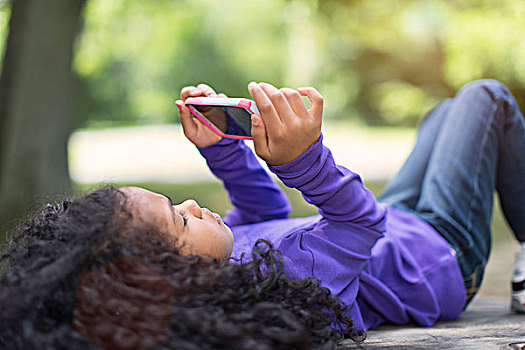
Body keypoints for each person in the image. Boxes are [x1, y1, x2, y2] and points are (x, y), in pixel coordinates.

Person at [1, 79, 524, 349]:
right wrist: (304, 162)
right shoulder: (293, 283)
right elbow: (360, 224)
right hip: (441, 253)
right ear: (180, 276)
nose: (189, 206)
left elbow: (263, 214)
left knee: (445, 113)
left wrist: (225, 151)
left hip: (404, 224)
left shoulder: (233, 283)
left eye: (175, 201)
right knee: (486, 99)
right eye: (179, 219)